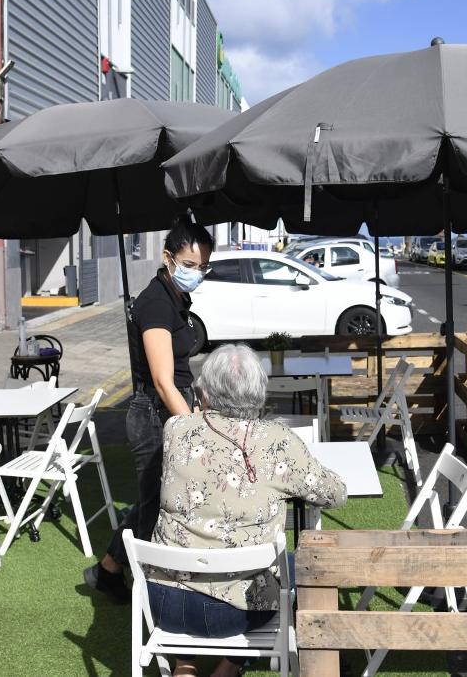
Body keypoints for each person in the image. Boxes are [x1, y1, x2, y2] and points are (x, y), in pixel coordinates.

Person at [146, 344, 347, 677]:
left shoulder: (176, 430)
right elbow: (334, 493)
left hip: (164, 603)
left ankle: (184, 665)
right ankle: (228, 668)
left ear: (204, 392)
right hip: (237, 612)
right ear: (259, 392)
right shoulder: (276, 440)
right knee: (297, 565)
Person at [85, 216, 216, 601]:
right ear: (168, 257)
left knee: (154, 500)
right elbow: (162, 379)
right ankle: (148, 592)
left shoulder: (177, 297)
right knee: (155, 507)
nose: (196, 273)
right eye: (189, 265)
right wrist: (193, 427)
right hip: (155, 412)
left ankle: (109, 569)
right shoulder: (156, 302)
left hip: (173, 407)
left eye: (202, 267)